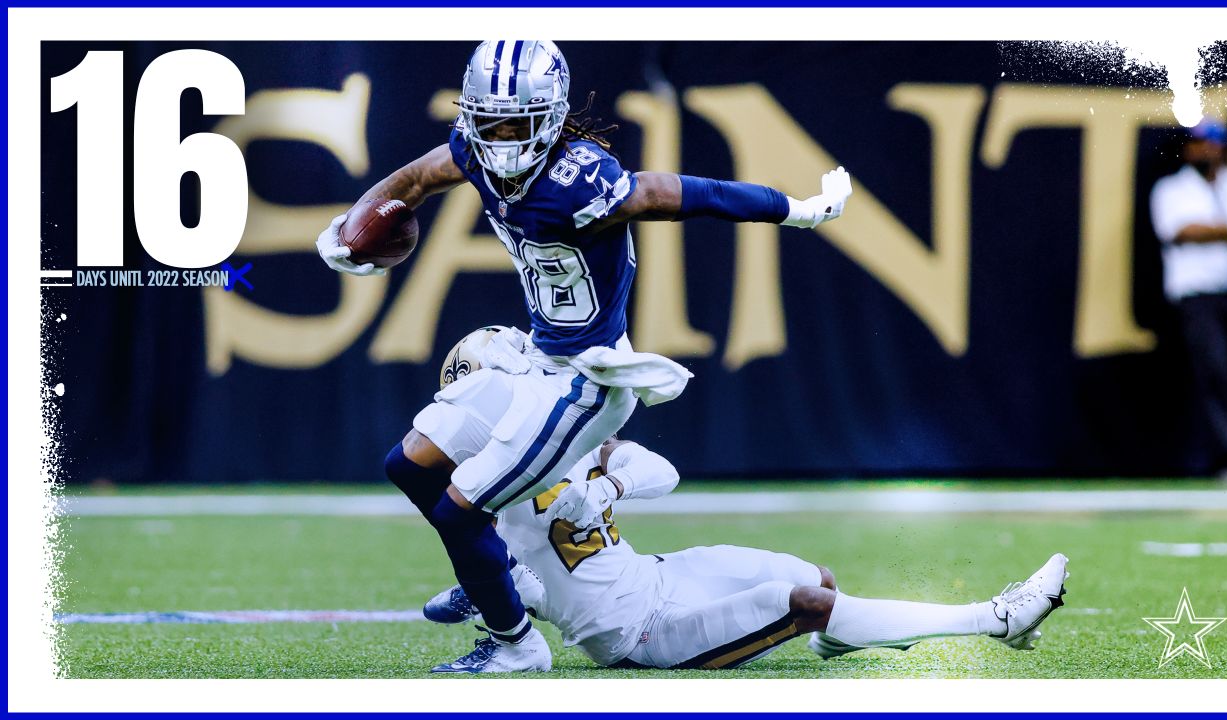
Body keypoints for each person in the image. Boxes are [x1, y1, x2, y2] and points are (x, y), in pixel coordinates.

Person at [315, 40, 853, 672]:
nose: (505, 139)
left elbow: (679, 193)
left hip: (587, 380)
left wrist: (793, 209)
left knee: (460, 511)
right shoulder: (471, 151)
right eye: (491, 122)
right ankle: (508, 572)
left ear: (551, 115)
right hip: (539, 363)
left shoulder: (580, 178)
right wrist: (352, 224)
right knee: (409, 465)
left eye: (520, 123)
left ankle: (516, 645)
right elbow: (411, 181)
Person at [422, 327, 1070, 672]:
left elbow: (659, 469)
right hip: (636, 632)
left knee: (819, 580)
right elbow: (487, 587)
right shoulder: (486, 489)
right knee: (807, 602)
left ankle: (842, 637)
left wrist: (606, 485)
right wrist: (490, 586)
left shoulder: (565, 435)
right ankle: (994, 619)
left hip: (657, 576)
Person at [1149, 119, 1227, 474]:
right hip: (1198, 298)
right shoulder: (1172, 189)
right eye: (1200, 143)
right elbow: (1183, 230)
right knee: (1215, 372)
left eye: (1214, 142)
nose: (1208, 149)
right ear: (1188, 148)